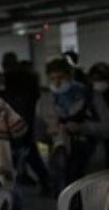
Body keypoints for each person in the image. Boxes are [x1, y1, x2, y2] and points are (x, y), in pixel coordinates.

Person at [36, 57, 99, 192]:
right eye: (52, 79)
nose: (57, 83)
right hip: (61, 158)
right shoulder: (44, 101)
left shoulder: (90, 96)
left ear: (70, 76)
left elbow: (106, 126)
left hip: (90, 155)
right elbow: (38, 132)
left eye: (60, 78)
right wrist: (48, 131)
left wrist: (82, 127)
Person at [2, 55, 51, 195]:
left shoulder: (10, 79)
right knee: (30, 153)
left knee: (22, 154)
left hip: (17, 121)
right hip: (27, 120)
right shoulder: (28, 78)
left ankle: (30, 181)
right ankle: (44, 180)